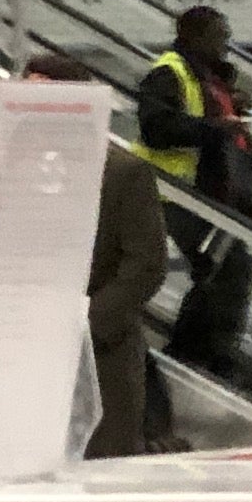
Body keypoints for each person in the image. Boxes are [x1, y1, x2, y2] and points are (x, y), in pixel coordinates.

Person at [27, 52, 175, 456]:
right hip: (23, 352)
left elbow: (146, 264)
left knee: (101, 467)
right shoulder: (9, 169)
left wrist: (84, 324)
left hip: (100, 355)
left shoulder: (121, 172)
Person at [135, 5, 252, 376]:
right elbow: (156, 129)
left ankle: (192, 354)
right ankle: (208, 358)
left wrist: (230, 109)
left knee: (219, 271)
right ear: (194, 36)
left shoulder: (206, 77)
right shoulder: (168, 73)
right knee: (228, 269)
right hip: (174, 192)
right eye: (219, 36)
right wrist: (217, 128)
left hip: (207, 195)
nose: (226, 44)